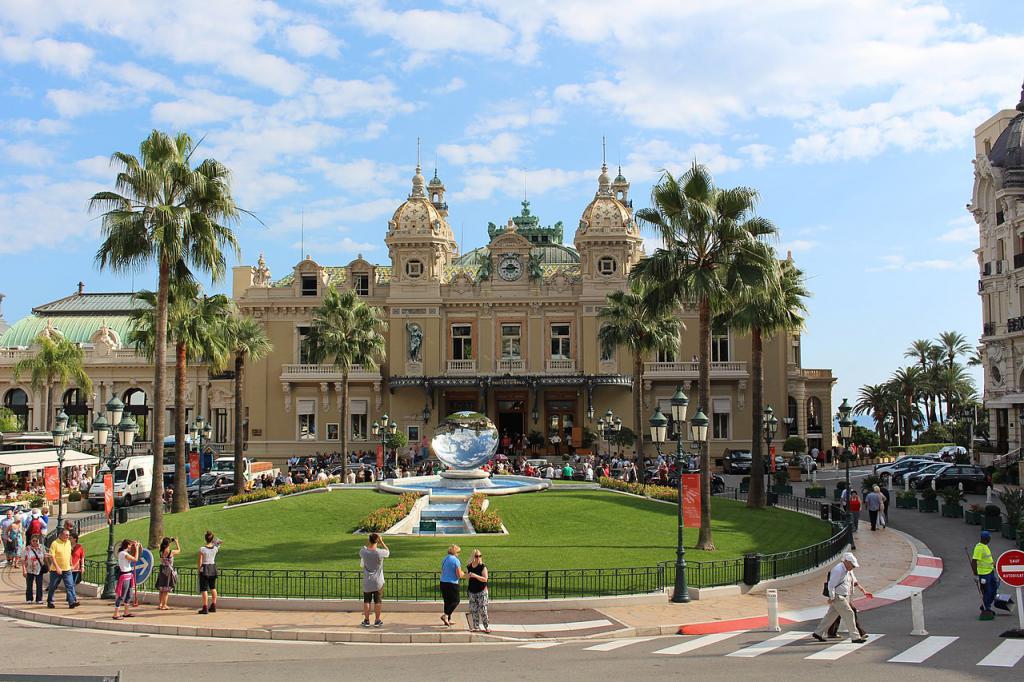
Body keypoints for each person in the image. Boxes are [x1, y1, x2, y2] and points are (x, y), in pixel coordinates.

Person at [812, 552, 871, 644]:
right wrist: (832, 597)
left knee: (830, 616)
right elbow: (831, 585)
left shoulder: (848, 569)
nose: (853, 567)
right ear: (846, 562)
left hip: (843, 596)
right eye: (852, 565)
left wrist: (863, 590)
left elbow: (853, 581)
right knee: (849, 613)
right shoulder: (838, 570)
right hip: (838, 596)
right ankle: (855, 637)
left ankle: (818, 633)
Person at [359, 532, 390, 627]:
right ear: (377, 541)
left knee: (366, 601)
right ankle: (377, 620)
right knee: (378, 601)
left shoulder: (363, 552)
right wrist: (382, 541)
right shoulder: (380, 552)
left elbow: (363, 549)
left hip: (367, 581)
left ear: (369, 540)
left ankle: (367, 620)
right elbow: (388, 552)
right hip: (378, 581)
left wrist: (370, 541)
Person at [46, 527, 78, 609]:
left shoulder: (68, 543)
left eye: (68, 535)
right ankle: (50, 601)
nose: (68, 536)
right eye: (66, 535)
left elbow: (69, 553)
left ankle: (71, 602)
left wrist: (71, 563)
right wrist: (57, 567)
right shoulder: (55, 543)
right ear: (61, 535)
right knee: (53, 586)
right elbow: (52, 556)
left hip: (67, 569)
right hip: (56, 570)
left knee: (70, 585)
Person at [972, 530, 998, 615]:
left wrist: (993, 564)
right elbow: (974, 561)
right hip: (984, 574)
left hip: (990, 572)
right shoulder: (979, 548)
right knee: (988, 591)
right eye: (989, 538)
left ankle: (985, 606)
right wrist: (975, 574)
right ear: (986, 539)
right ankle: (986, 608)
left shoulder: (985, 546)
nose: (990, 539)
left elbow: (987, 559)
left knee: (994, 589)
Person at [112, 539, 139, 619]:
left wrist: (135, 544)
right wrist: (137, 548)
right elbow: (135, 559)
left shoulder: (125, 553)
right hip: (124, 576)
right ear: (127, 545)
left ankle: (126, 612)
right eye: (130, 545)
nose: (131, 547)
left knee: (129, 594)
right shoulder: (123, 553)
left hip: (129, 575)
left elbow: (132, 556)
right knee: (122, 595)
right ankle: (115, 614)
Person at [466, 549, 490, 633]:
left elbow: (485, 579)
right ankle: (476, 626)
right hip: (472, 591)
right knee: (474, 609)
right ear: (473, 557)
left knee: (483, 609)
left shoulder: (483, 567)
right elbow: (467, 576)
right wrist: (468, 575)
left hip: (482, 591)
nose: (478, 558)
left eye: (480, 556)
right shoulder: (469, 566)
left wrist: (475, 576)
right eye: (476, 556)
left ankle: (486, 626)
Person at [439, 544, 464, 627]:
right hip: (452, 583)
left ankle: (448, 619)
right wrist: (463, 573)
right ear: (455, 552)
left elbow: (443, 570)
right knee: (456, 601)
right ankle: (446, 615)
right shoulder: (456, 560)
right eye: (458, 552)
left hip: (443, 582)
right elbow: (459, 575)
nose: (459, 554)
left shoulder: (444, 559)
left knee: (447, 601)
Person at [197, 531, 221, 614]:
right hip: (213, 568)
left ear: (205, 539)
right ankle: (213, 605)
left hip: (205, 568)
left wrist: (199, 570)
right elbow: (217, 544)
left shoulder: (202, 549)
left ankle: (205, 607)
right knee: (213, 588)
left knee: (204, 589)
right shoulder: (215, 549)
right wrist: (216, 542)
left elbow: (200, 562)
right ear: (212, 539)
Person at [156, 536, 180, 610]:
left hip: (162, 570)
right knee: (166, 589)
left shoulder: (161, 551)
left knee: (161, 589)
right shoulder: (170, 552)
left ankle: (160, 604)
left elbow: (160, 544)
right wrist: (176, 542)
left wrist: (162, 539)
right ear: (168, 544)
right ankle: (164, 605)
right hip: (168, 571)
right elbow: (179, 550)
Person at [21, 534, 47, 603]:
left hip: (39, 569)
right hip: (29, 569)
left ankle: (39, 599)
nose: (35, 542)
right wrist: (24, 570)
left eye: (36, 541)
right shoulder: (26, 549)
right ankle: (29, 599)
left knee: (39, 584)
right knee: (29, 585)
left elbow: (45, 557)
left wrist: (48, 565)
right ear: (30, 541)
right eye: (33, 541)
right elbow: (23, 560)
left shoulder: (42, 548)